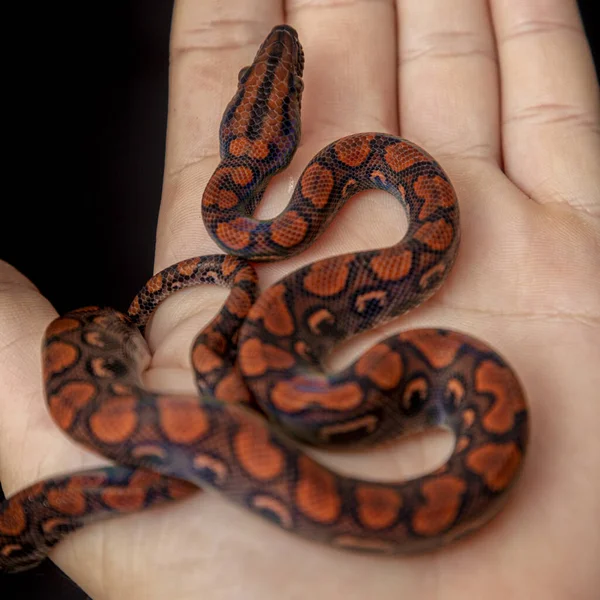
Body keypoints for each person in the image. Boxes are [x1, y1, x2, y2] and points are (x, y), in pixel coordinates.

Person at [1, 0, 598, 598]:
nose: (286, 87)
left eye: (289, 95)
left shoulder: (291, 215)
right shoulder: (337, 179)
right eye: (271, 91)